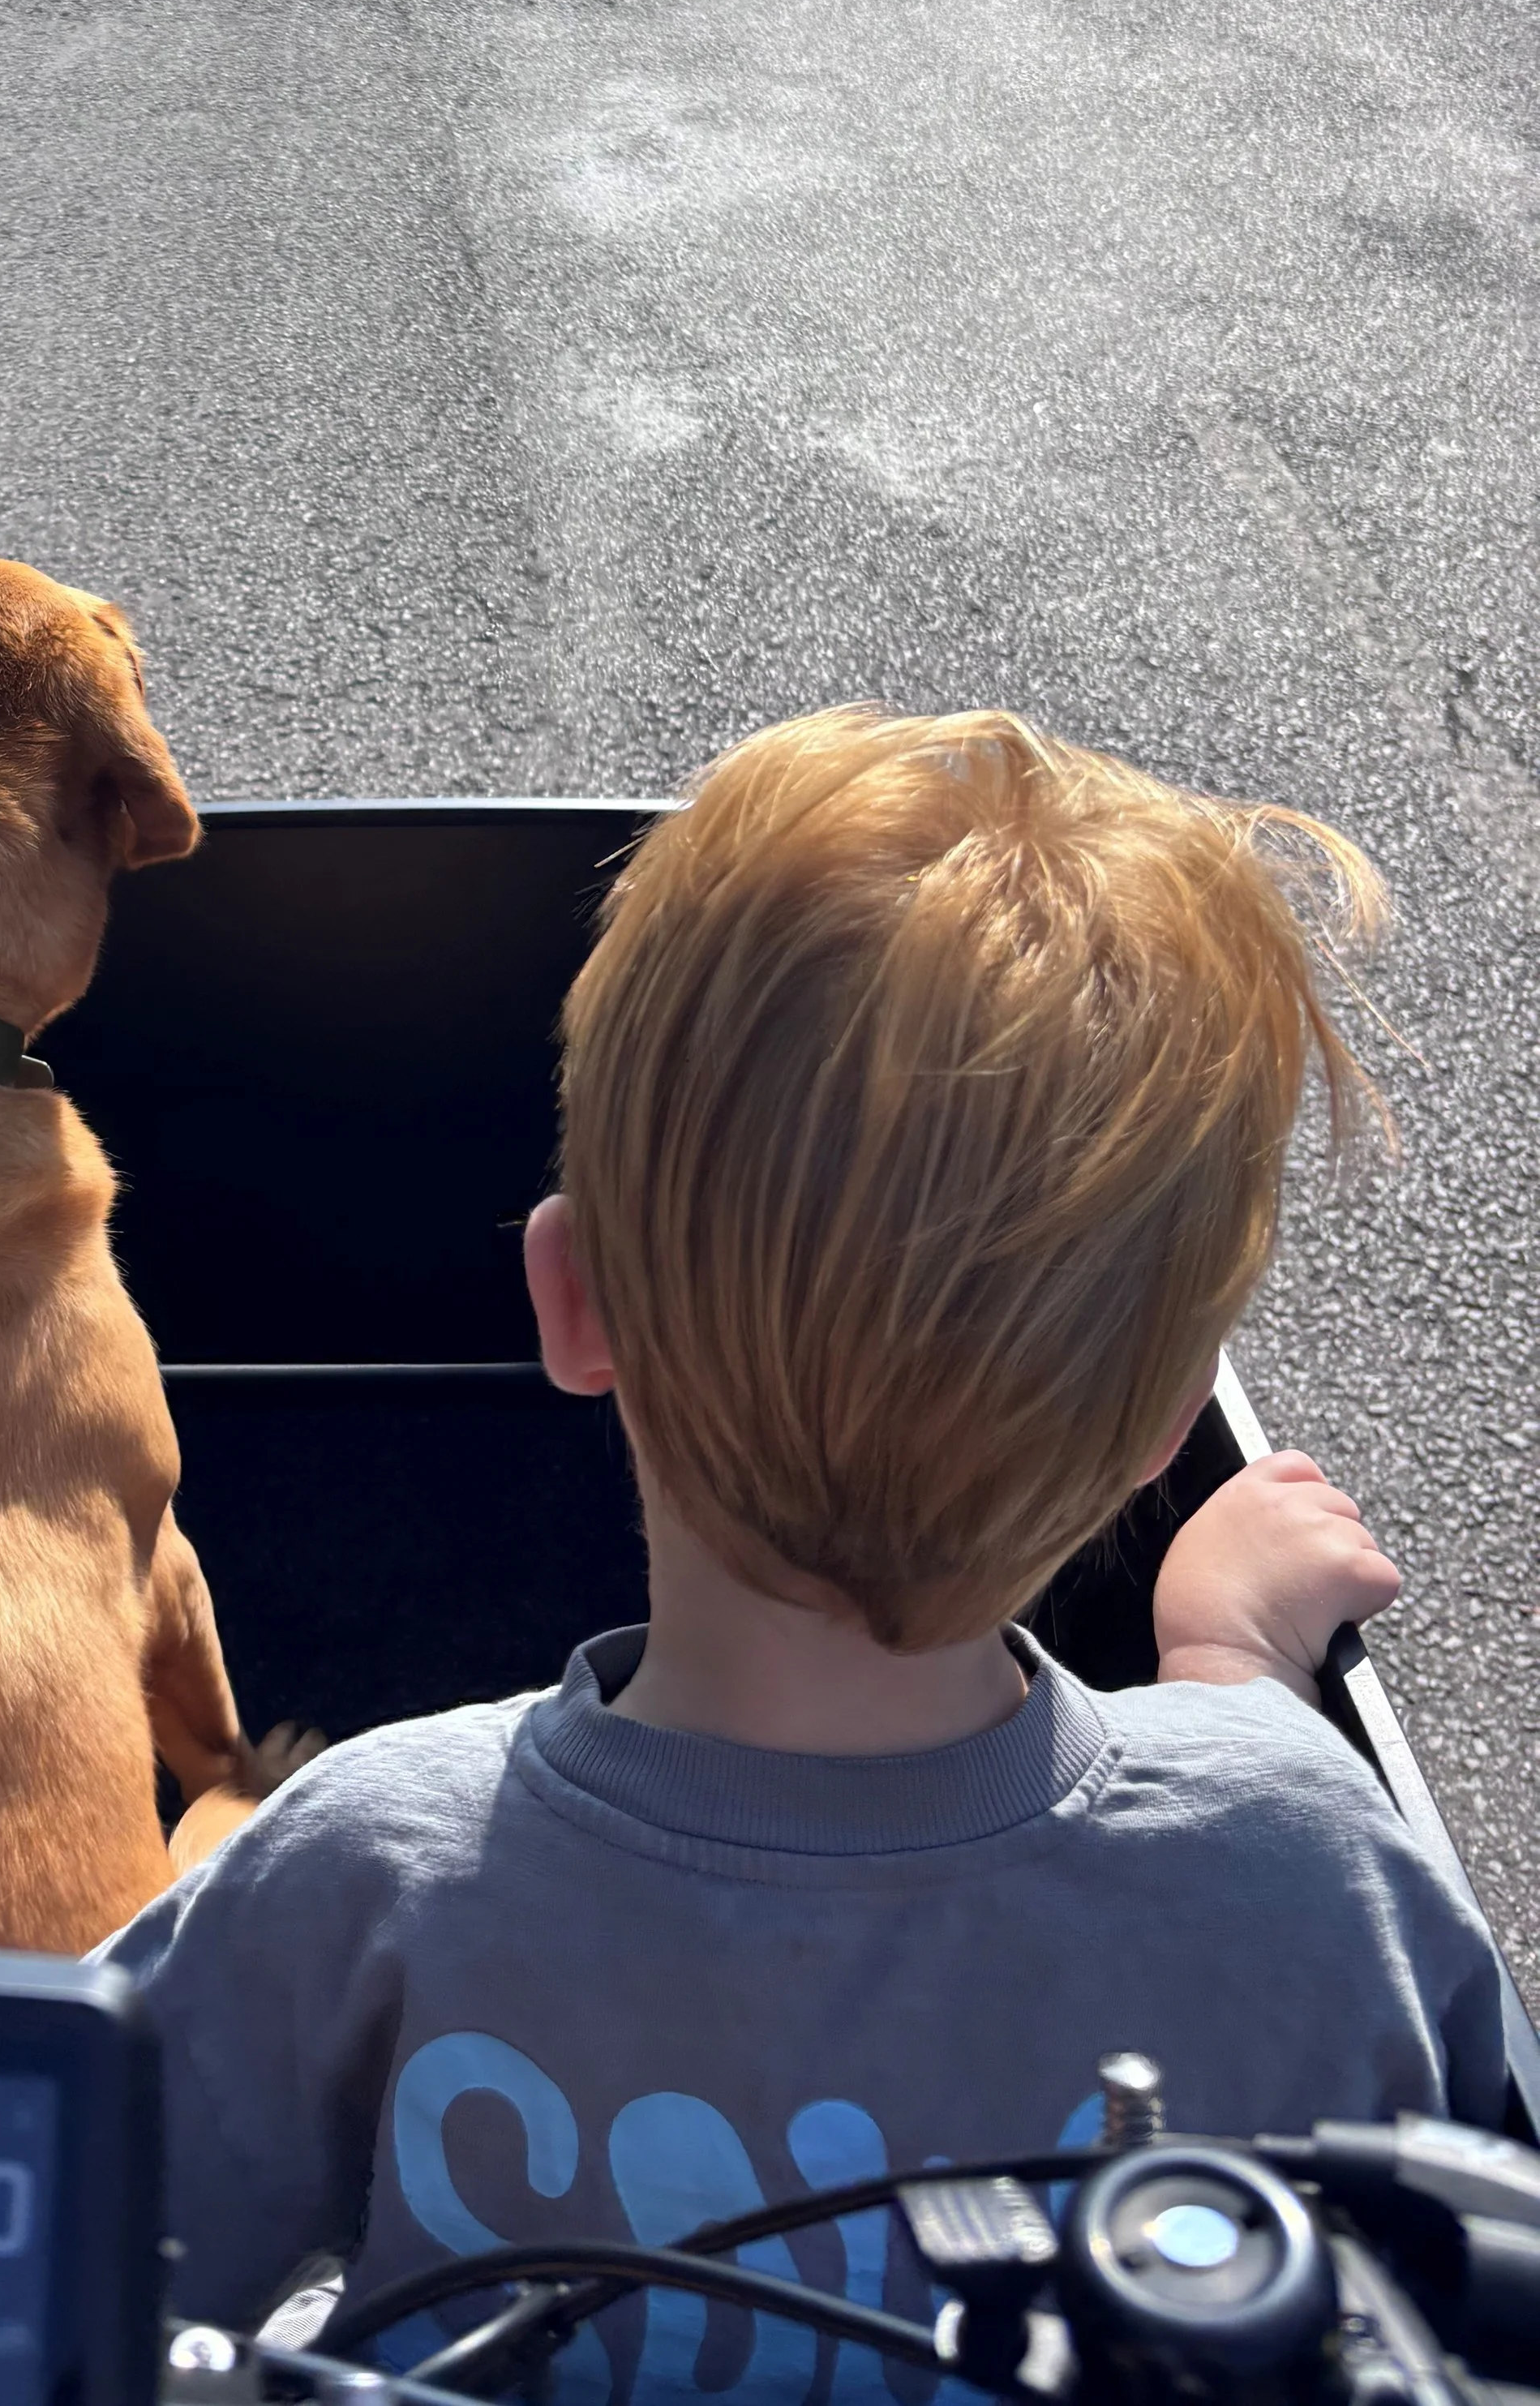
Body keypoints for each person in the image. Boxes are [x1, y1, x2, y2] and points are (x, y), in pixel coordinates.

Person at [101, 709, 1517, 2372]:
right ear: (1160, 1433)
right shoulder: (1312, 1868)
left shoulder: (360, 1873)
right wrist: (1231, 1661)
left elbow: (24, 2209)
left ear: (568, 1302)